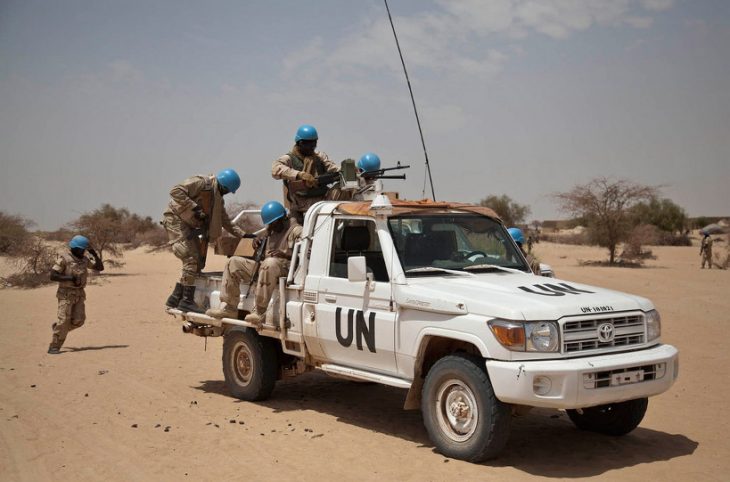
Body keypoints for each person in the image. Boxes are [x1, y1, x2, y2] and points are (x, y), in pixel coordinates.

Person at [206, 201, 303, 326]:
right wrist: (257, 242)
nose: (271, 227)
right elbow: (263, 250)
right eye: (269, 224)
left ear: (282, 219)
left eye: (273, 223)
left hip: (286, 268)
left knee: (270, 263)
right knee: (233, 263)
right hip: (266, 267)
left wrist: (285, 255)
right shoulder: (271, 230)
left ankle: (259, 311)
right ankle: (229, 308)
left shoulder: (296, 230)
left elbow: (307, 255)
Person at [162, 169, 247, 312]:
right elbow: (175, 191)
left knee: (197, 262)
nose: (226, 193)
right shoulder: (201, 183)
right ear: (224, 185)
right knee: (190, 260)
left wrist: (244, 235)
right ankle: (186, 301)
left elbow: (225, 221)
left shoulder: (217, 197)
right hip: (175, 221)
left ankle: (175, 298)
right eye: (227, 190)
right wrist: (194, 208)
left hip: (188, 226)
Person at [271, 124, 340, 224]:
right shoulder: (289, 158)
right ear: (300, 143)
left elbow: (333, 167)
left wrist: (347, 170)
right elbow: (275, 169)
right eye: (310, 144)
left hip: (323, 201)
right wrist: (299, 175)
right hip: (301, 205)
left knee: (346, 190)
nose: (313, 147)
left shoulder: (319, 157)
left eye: (314, 143)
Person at [48, 235, 104, 354]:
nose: (82, 251)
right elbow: (53, 275)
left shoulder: (84, 259)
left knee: (79, 320)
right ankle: (54, 346)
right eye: (81, 249)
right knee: (64, 320)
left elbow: (100, 267)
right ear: (74, 248)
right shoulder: (64, 258)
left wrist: (94, 254)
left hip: (79, 294)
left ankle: (58, 329)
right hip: (66, 294)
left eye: (84, 249)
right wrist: (70, 278)